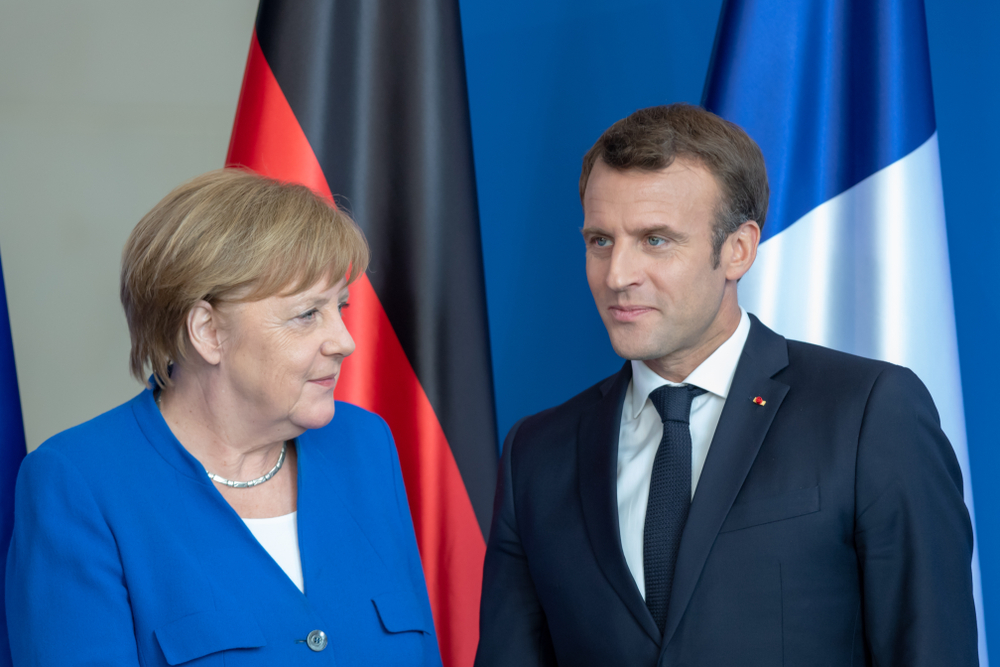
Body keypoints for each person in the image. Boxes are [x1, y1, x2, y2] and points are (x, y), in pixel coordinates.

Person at [474, 104, 977, 666]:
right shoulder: (537, 454)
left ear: (738, 249)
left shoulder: (868, 413)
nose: (617, 275)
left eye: (656, 240)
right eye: (600, 240)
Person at [6, 169, 442, 666]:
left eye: (339, 306)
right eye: (307, 314)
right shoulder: (78, 483)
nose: (345, 341)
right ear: (208, 331)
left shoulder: (364, 445)